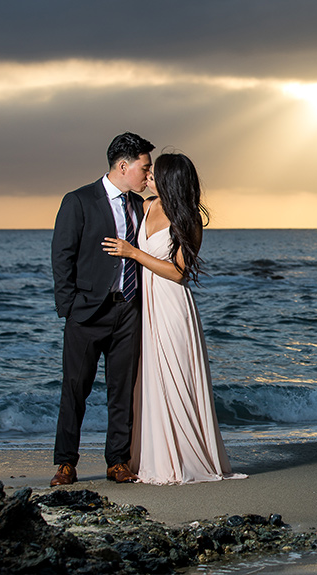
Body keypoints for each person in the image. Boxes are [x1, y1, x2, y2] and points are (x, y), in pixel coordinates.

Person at [102, 153, 245, 484]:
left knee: (175, 379)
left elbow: (179, 272)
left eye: (156, 172)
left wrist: (134, 253)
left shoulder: (188, 219)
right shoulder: (147, 206)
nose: (149, 175)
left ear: (170, 179)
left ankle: (184, 458)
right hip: (145, 305)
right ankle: (149, 454)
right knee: (148, 379)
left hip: (171, 305)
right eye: (148, 171)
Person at [50, 132, 155, 486]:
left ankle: (118, 462)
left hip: (127, 311)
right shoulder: (78, 201)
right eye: (144, 167)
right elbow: (62, 256)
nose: (147, 173)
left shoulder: (140, 205)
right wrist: (69, 308)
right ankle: (65, 463)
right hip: (86, 313)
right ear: (123, 166)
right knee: (75, 389)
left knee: (121, 390)